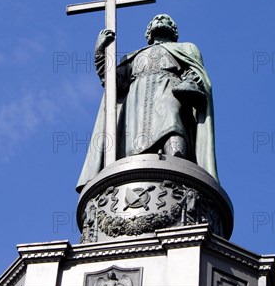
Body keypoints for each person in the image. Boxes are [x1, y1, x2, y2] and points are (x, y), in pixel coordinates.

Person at [76, 14, 218, 192]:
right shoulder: (133, 57)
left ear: (174, 30)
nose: (160, 20)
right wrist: (100, 52)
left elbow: (196, 74)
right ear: (148, 31)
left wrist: (191, 83)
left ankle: (176, 172)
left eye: (166, 19)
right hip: (136, 104)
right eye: (156, 19)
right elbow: (112, 83)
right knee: (132, 146)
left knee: (172, 126)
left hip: (170, 92)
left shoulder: (186, 48)